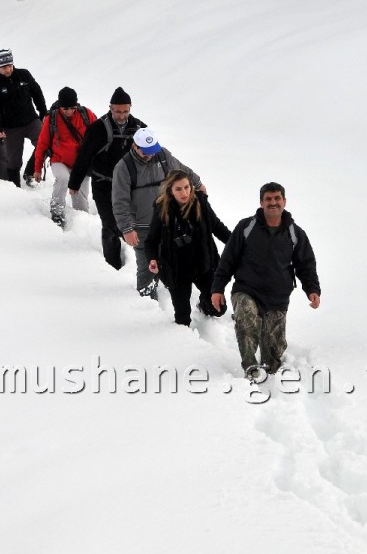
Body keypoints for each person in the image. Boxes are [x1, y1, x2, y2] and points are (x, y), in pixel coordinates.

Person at [211, 182, 321, 378]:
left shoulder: (295, 233)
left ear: (284, 202)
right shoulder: (246, 227)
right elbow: (228, 260)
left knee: (273, 356)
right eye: (268, 199)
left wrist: (312, 289)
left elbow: (306, 265)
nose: (273, 203)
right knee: (247, 320)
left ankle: (269, 368)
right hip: (247, 289)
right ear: (261, 202)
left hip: (277, 297)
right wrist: (217, 289)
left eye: (277, 198)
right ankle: (250, 367)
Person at [112, 128, 205, 298]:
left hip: (167, 222)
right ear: (135, 146)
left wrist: (197, 183)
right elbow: (120, 202)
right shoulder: (124, 168)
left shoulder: (162, 155)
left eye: (152, 151)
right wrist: (127, 229)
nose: (149, 155)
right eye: (145, 152)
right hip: (142, 228)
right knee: (147, 267)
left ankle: (178, 296)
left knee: (175, 262)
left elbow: (183, 171)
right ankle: (147, 302)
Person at [68, 87, 146, 269]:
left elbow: (155, 155)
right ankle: (112, 264)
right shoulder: (98, 129)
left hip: (128, 186)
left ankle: (132, 263)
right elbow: (84, 156)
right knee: (110, 224)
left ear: (130, 108)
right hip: (103, 183)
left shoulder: (140, 128)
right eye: (117, 111)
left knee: (129, 223)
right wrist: (75, 182)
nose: (121, 115)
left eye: (125, 111)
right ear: (110, 108)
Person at [145, 170, 231, 326]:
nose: (184, 193)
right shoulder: (162, 209)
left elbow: (217, 227)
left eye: (187, 187)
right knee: (182, 319)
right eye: (178, 189)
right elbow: (151, 241)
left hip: (204, 266)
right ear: (170, 190)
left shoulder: (201, 202)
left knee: (218, 309)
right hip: (177, 272)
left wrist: (236, 245)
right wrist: (153, 259)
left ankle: (204, 303)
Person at [33, 87, 97, 227]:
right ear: (60, 106)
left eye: (72, 108)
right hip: (59, 161)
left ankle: (83, 225)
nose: (69, 112)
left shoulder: (87, 115)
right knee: (63, 178)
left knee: (80, 198)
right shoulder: (52, 118)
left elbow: (98, 135)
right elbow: (42, 144)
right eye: (65, 108)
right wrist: (38, 168)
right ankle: (56, 211)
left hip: (82, 164)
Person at [0, 49, 47, 186]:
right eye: (4, 67)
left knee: (46, 144)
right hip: (10, 127)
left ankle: (30, 171)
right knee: (13, 162)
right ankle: (15, 189)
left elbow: (37, 93)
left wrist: (43, 112)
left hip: (31, 121)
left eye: (9, 66)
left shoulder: (24, 75)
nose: (8, 70)